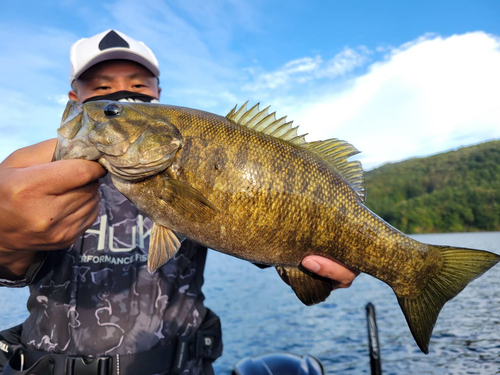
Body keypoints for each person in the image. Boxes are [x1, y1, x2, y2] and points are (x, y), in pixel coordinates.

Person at [0, 30, 358, 375]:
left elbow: (255, 219)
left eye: (138, 84)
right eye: (103, 88)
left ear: (159, 93)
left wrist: (312, 261)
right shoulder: (31, 179)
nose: (123, 94)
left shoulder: (196, 156)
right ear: (74, 99)